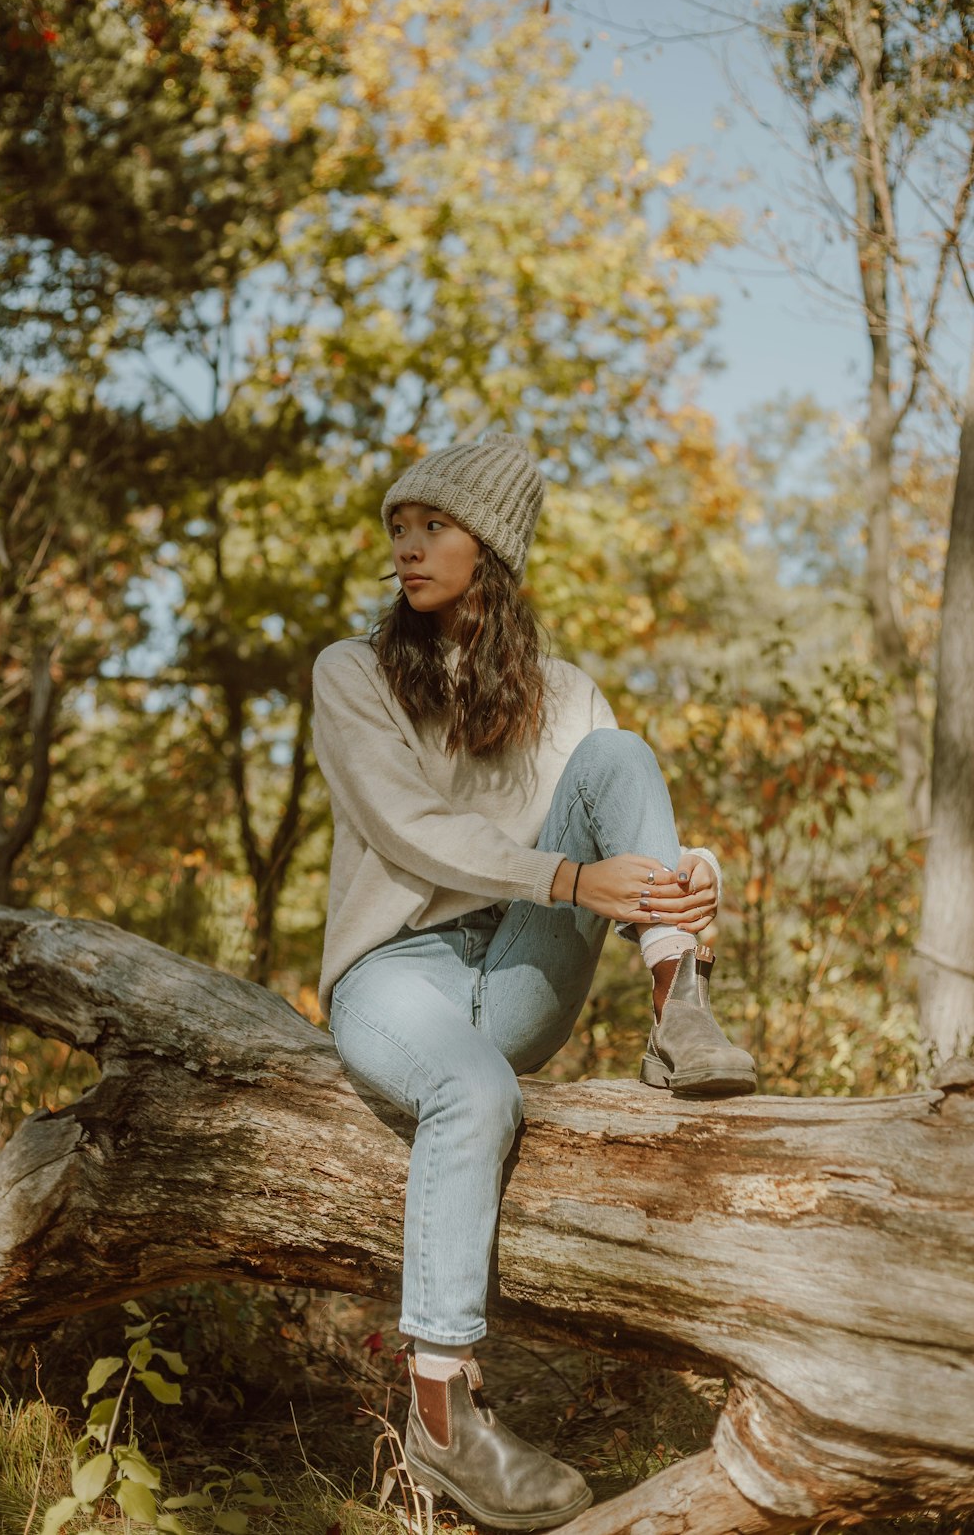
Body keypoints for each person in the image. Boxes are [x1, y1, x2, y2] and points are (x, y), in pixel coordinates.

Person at [311, 433, 756, 1532]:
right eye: (399, 531)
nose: (408, 548)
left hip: (518, 970)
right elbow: (408, 831)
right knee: (475, 1093)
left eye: (434, 528)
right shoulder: (351, 673)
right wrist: (566, 875)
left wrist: (697, 882)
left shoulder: (563, 695)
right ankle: (446, 1417)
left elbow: (629, 825)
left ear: (492, 550)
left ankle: (677, 1005)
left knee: (623, 756)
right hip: (394, 974)